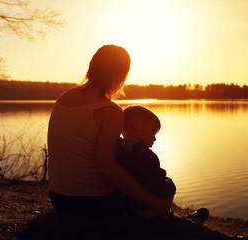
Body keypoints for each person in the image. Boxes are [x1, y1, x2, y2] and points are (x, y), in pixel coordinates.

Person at [47, 45, 171, 219]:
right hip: (92, 202)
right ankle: (166, 220)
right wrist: (153, 201)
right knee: (144, 181)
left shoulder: (64, 97)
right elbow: (107, 168)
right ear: (122, 74)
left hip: (58, 198)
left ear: (92, 66)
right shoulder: (110, 111)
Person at [116, 105, 248, 240]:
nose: (154, 138)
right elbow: (160, 187)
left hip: (134, 213)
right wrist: (171, 186)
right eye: (152, 131)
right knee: (197, 230)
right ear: (136, 124)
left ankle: (188, 221)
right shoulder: (144, 154)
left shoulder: (119, 148)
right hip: (153, 217)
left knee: (187, 222)